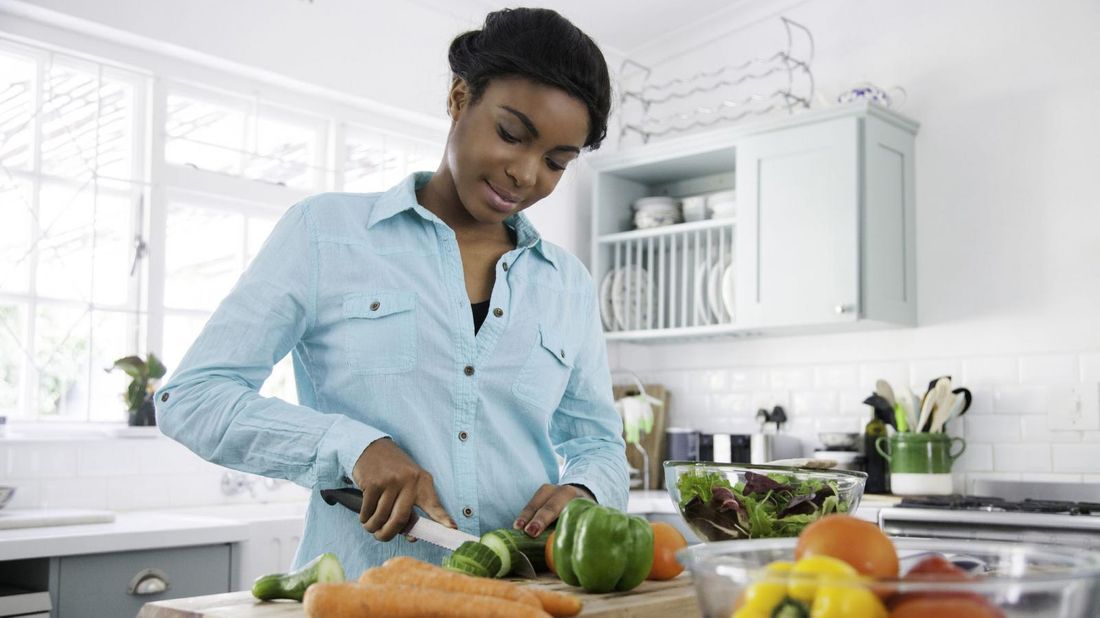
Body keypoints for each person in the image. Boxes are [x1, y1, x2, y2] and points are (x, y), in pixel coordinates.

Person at [155, 7, 628, 576]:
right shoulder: (325, 234)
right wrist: (351, 447)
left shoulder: (567, 283)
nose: (527, 174)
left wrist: (583, 490)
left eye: (556, 162)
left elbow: (598, 443)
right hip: (361, 597)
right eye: (511, 135)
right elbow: (192, 397)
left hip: (521, 598)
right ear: (459, 98)